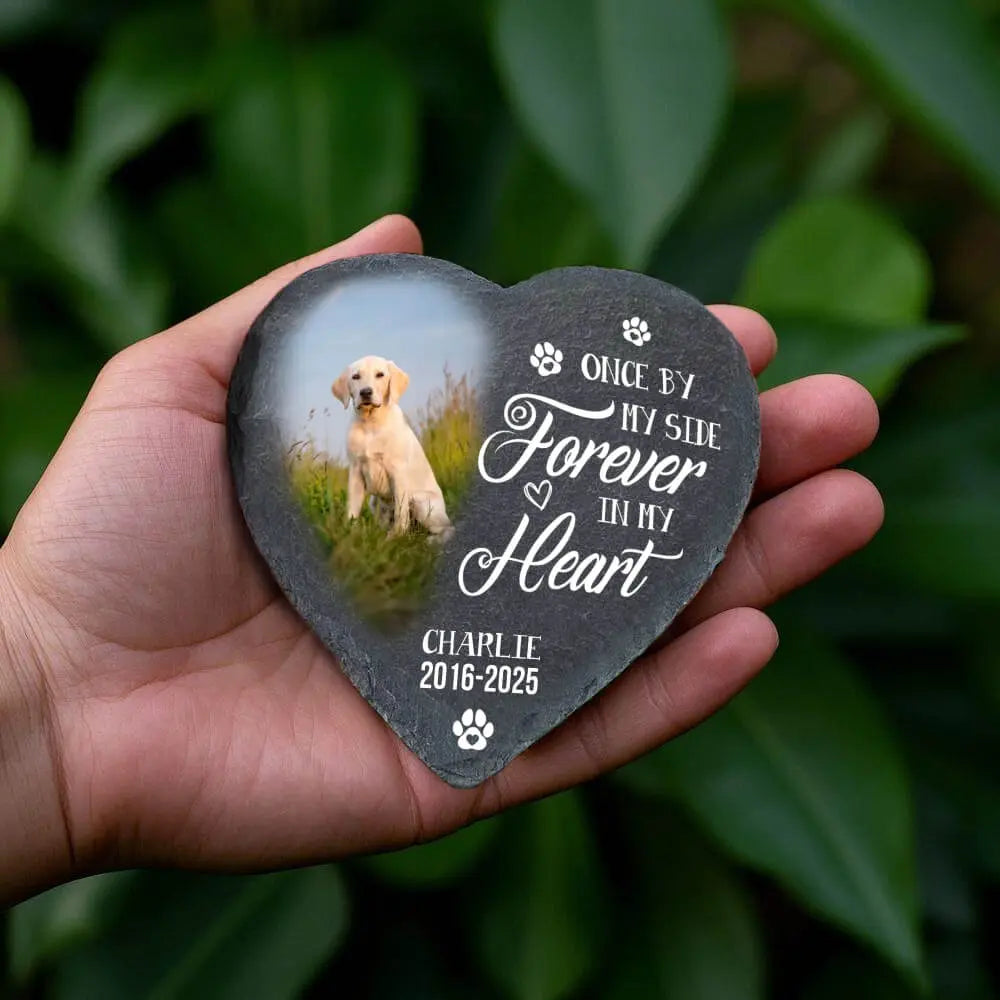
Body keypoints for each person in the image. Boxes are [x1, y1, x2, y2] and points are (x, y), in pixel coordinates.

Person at [0, 216, 883, 904]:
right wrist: (45, 671)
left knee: (427, 506)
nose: (371, 389)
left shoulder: (408, 422)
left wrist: (56, 708)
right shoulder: (348, 425)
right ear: (351, 388)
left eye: (379, 380)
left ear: (393, 385)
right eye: (361, 382)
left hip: (425, 539)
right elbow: (352, 482)